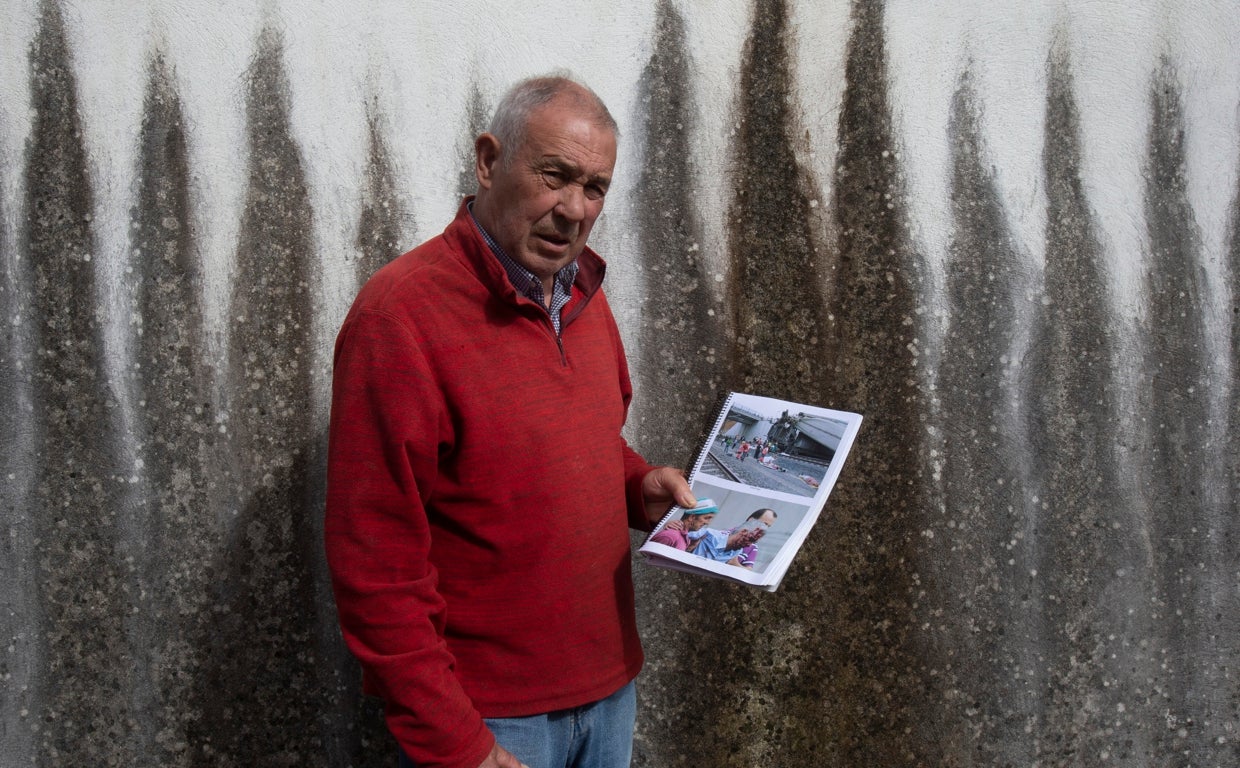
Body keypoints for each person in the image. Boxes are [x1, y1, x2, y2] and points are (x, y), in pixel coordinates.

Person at [324, 74, 695, 768]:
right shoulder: (398, 318)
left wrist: (637, 486)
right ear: (489, 161)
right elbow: (374, 560)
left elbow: (580, 441)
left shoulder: (583, 292)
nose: (574, 210)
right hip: (489, 722)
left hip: (609, 696)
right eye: (555, 176)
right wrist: (458, 743)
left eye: (596, 188)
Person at [649, 499, 718, 550]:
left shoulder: (685, 537)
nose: (707, 523)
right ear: (692, 517)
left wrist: (690, 547)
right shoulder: (670, 536)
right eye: (706, 518)